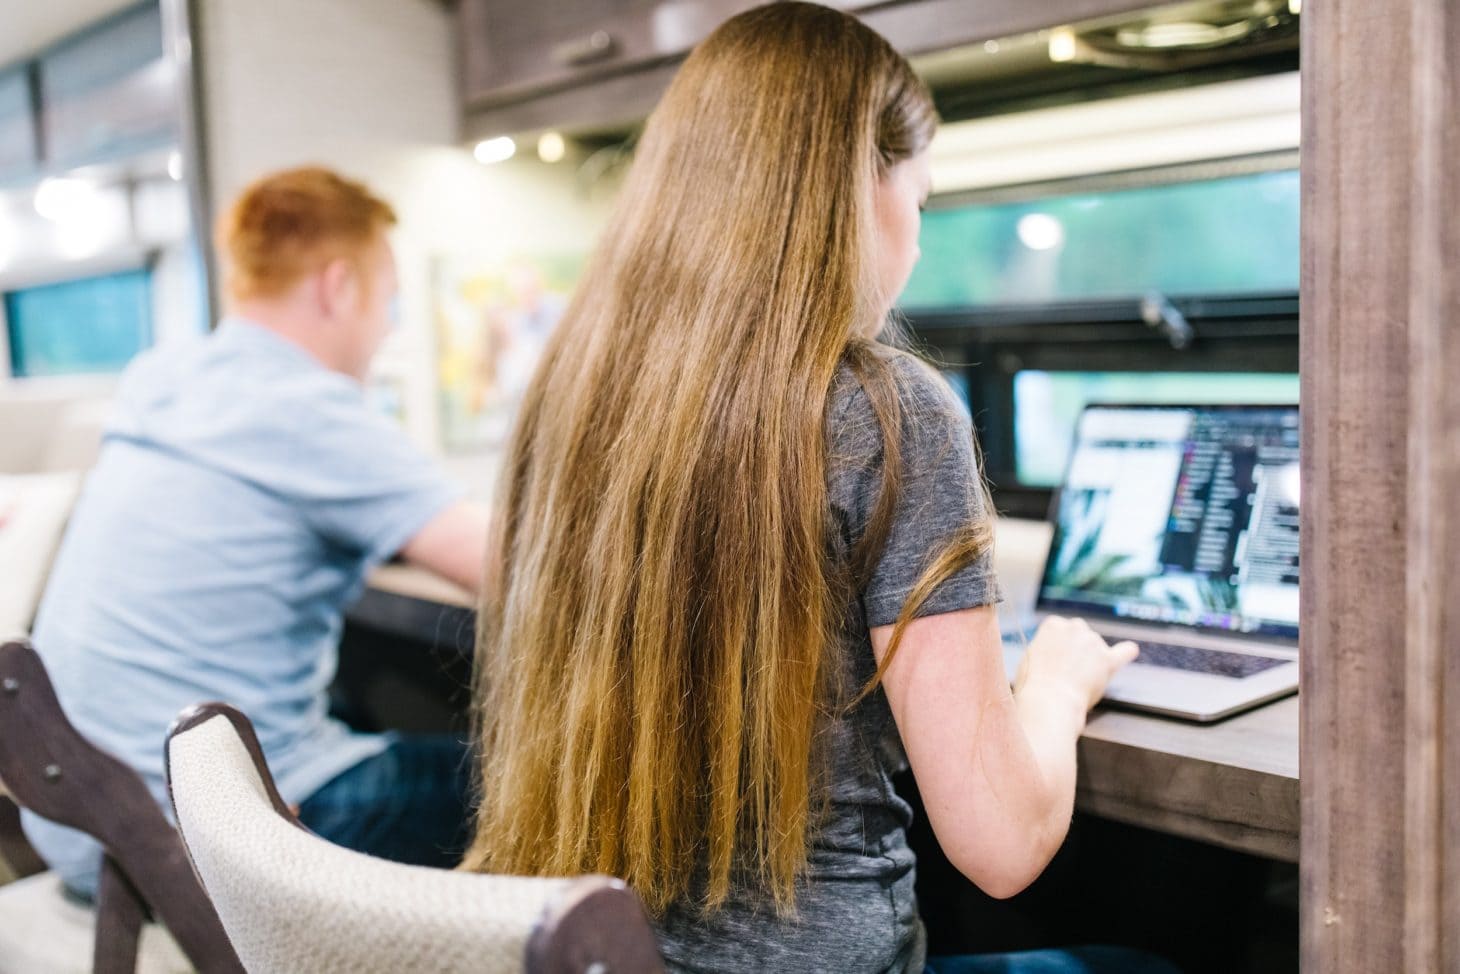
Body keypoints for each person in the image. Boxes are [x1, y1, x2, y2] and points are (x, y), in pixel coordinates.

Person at [461, 5, 1178, 973]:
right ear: (855, 187)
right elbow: (1002, 843)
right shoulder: (886, 410)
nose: (918, 245)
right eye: (919, 201)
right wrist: (1055, 681)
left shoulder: (574, 390)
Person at [22, 166, 489, 899]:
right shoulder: (306, 410)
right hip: (203, 845)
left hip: (76, 817)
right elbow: (515, 570)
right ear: (339, 286)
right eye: (388, 300)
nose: (388, 326)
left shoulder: (164, 379)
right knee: (541, 778)